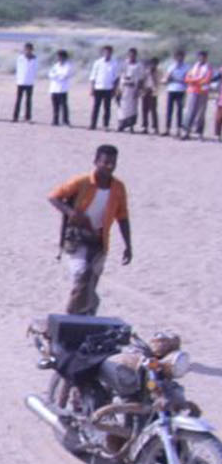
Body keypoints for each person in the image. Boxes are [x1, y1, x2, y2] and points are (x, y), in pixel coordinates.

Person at [48, 144, 132, 317]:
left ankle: (87, 315)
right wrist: (71, 213)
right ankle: (71, 316)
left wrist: (128, 245)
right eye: (105, 162)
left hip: (100, 241)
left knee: (91, 280)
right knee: (82, 275)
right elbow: (54, 196)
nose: (109, 167)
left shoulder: (118, 188)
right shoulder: (82, 182)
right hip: (77, 239)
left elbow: (122, 216)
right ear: (96, 162)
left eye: (113, 163)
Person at [181, 51, 213, 140]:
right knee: (190, 112)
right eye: (200, 57)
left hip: (203, 92)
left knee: (200, 113)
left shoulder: (208, 68)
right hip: (192, 91)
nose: (201, 59)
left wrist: (194, 81)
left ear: (206, 58)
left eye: (203, 57)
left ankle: (199, 133)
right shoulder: (194, 67)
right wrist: (195, 81)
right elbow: (187, 78)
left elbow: (206, 80)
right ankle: (186, 132)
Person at [88, 45, 120, 131]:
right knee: (96, 107)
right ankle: (93, 124)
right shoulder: (98, 62)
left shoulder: (114, 63)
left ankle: (106, 125)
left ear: (111, 53)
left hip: (108, 88)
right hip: (98, 87)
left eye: (109, 52)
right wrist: (92, 88)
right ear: (102, 52)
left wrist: (115, 89)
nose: (107, 54)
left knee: (107, 108)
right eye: (105, 52)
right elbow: (93, 76)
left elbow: (116, 77)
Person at [162, 50, 190, 135]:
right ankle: (167, 129)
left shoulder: (186, 67)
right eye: (177, 56)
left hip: (181, 90)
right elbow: (166, 77)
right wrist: (168, 79)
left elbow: (187, 79)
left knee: (179, 110)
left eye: (181, 56)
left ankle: (179, 129)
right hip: (171, 89)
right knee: (169, 110)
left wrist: (177, 79)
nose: (179, 58)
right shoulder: (171, 66)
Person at [13, 41, 41, 123]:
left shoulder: (35, 59)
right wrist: (18, 79)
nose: (28, 51)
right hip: (21, 82)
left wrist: (32, 78)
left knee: (28, 100)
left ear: (32, 50)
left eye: (29, 49)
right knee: (18, 100)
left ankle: (28, 117)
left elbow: (35, 70)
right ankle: (15, 117)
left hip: (29, 82)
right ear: (24, 49)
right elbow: (18, 69)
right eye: (26, 49)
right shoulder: (20, 58)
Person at [117, 54, 146, 133]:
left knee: (132, 109)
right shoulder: (124, 64)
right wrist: (118, 89)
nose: (131, 57)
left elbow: (141, 79)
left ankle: (131, 126)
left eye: (133, 56)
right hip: (123, 88)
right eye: (130, 56)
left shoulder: (139, 65)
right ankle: (121, 125)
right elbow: (119, 76)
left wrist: (138, 90)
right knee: (122, 108)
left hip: (133, 89)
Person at [50, 50, 75, 126]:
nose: (59, 58)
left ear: (64, 57)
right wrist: (57, 75)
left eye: (60, 56)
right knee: (55, 106)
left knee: (64, 106)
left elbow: (65, 75)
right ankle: (55, 120)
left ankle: (65, 121)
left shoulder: (68, 66)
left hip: (62, 89)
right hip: (54, 88)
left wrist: (56, 75)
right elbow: (50, 74)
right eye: (58, 56)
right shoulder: (55, 65)